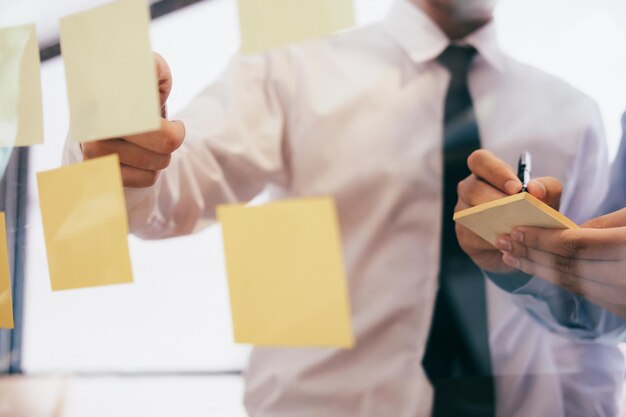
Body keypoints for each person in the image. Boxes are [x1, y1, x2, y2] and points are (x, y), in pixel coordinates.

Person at [64, 0, 621, 415]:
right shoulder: (292, 69)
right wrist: (119, 148)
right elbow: (176, 186)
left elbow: (591, 306)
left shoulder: (571, 113)